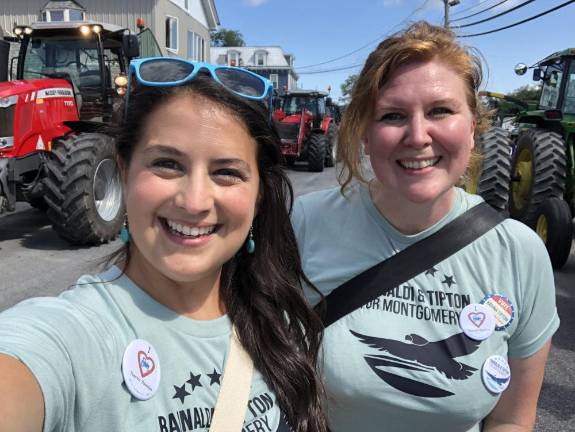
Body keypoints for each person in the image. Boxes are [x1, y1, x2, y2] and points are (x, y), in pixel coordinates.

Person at [0, 58, 326, 432]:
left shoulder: (279, 322)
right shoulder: (73, 336)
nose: (195, 201)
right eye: (168, 164)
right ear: (123, 171)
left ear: (259, 196)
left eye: (227, 172)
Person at [291, 22, 559, 432]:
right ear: (365, 133)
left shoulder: (520, 253)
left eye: (440, 111)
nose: (418, 136)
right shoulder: (303, 223)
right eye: (393, 115)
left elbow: (512, 420)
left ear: (472, 128)